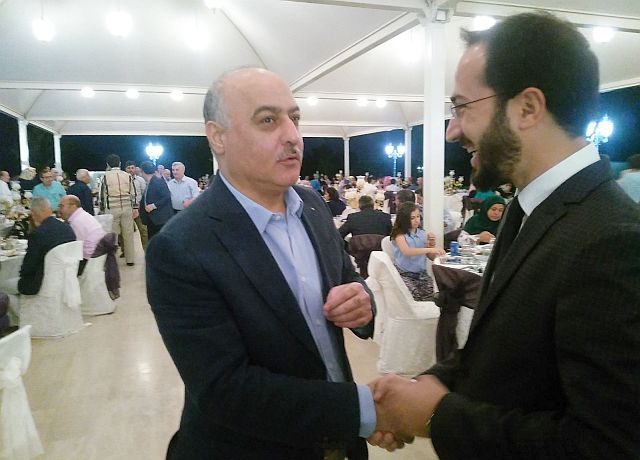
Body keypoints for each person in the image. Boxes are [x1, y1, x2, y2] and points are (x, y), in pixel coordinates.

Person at [368, 12, 640, 459]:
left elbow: (609, 445)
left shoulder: (612, 241)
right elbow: (503, 351)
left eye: (462, 107)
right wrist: (430, 384)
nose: (452, 130)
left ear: (528, 108)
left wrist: (437, 416)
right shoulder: (525, 209)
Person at [146, 67, 376, 459]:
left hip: (341, 442)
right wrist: (366, 410)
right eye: (268, 120)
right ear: (218, 136)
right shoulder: (181, 246)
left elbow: (349, 280)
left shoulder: (313, 206)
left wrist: (362, 303)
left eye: (295, 118)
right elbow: (226, 390)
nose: (292, 135)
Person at [0, 197, 76, 296]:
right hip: (64, 279)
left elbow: (28, 267)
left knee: (2, 284)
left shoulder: (38, 234)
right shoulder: (67, 228)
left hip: (39, 284)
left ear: (33, 212)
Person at [389, 202, 445, 301]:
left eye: (418, 216)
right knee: (413, 298)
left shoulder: (422, 233)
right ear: (404, 219)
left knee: (432, 299)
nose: (416, 220)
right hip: (404, 274)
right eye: (412, 218)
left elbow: (430, 256)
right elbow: (407, 252)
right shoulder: (399, 235)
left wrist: (432, 245)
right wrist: (431, 249)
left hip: (421, 274)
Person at [99, 154, 137, 266]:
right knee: (128, 234)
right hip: (126, 207)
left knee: (113, 236)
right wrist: (134, 207)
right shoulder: (127, 176)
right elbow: (133, 193)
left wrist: (102, 209)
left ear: (108, 164)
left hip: (112, 208)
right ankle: (130, 260)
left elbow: (101, 195)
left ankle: (113, 260)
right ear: (120, 163)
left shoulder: (105, 176)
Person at [58, 195, 105, 260]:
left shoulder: (77, 222)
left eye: (61, 206)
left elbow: (74, 248)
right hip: (97, 257)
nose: (59, 210)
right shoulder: (82, 215)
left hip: (88, 260)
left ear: (73, 206)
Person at [138, 161, 172, 239]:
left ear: (143, 171)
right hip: (152, 219)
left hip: (159, 219)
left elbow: (167, 196)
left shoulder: (158, 181)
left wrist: (153, 206)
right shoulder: (150, 181)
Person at [125, 160, 148, 250]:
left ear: (135, 169)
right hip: (126, 209)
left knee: (143, 231)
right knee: (125, 232)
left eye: (132, 168)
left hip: (139, 209)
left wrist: (140, 208)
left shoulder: (140, 180)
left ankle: (146, 250)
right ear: (125, 169)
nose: (130, 170)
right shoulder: (123, 180)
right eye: (128, 168)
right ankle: (126, 251)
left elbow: (144, 194)